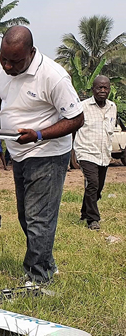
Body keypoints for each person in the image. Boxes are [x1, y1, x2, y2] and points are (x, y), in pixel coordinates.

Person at [0, 26, 84, 285]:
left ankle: (39, 278)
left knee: (39, 217)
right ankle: (47, 263)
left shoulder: (53, 77)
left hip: (46, 152)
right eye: (4, 58)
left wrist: (39, 135)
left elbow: (76, 118)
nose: (6, 66)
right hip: (18, 151)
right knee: (26, 216)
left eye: (15, 61)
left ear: (31, 52)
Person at [74, 75, 117, 230]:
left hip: (104, 154)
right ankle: (93, 220)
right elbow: (73, 128)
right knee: (92, 183)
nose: (102, 90)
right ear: (93, 89)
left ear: (109, 89)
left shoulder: (112, 107)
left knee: (98, 188)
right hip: (86, 152)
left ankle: (85, 213)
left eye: (106, 87)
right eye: (99, 87)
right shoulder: (83, 107)